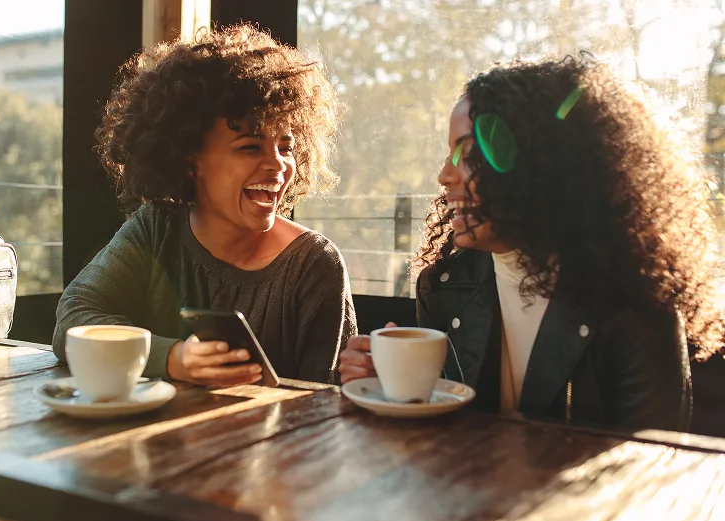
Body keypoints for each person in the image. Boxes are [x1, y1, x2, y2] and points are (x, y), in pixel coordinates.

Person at [339, 55, 725, 431]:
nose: (444, 175)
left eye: (469, 153)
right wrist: (391, 386)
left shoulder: (634, 304)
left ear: (542, 167)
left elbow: (652, 469)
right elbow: (445, 430)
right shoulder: (444, 286)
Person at [53, 25, 357, 386]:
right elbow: (73, 320)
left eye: (287, 147)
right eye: (250, 146)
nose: (278, 165)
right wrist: (172, 358)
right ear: (189, 158)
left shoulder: (314, 264)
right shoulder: (156, 229)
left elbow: (326, 407)